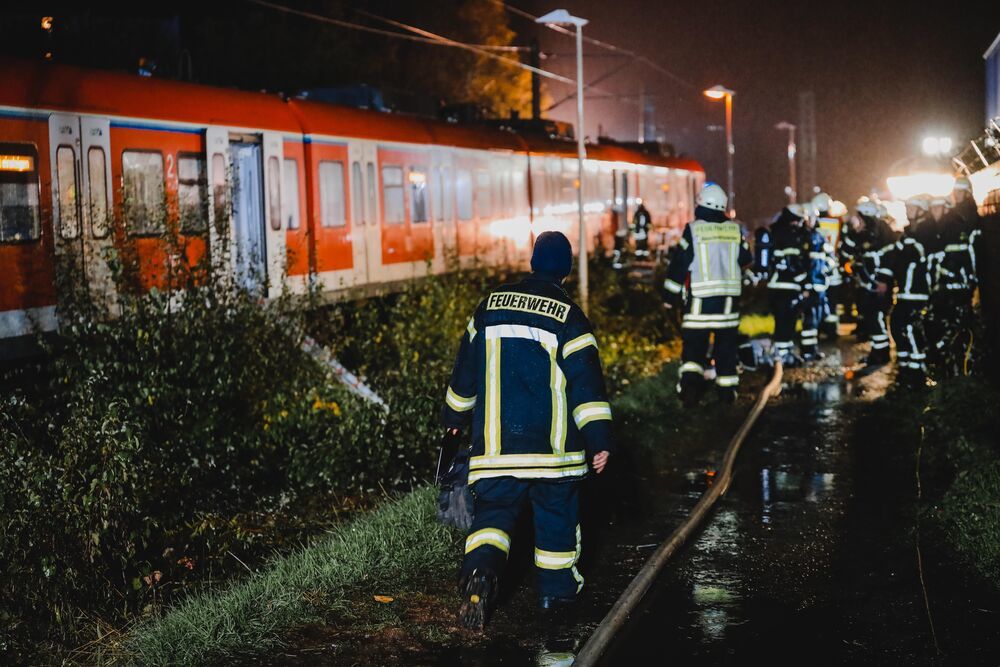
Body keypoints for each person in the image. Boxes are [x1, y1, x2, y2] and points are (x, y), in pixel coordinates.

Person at [442, 231, 613, 630]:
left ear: (532, 262)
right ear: (567, 270)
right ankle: (556, 600)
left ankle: (480, 574)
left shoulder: (489, 307)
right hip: (553, 457)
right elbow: (586, 388)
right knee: (556, 523)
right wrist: (600, 440)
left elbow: (464, 375)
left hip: (496, 452)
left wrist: (453, 421)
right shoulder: (569, 317)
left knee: (493, 519)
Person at [664, 183, 753, 404]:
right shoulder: (734, 230)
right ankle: (727, 395)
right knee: (726, 350)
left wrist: (669, 298)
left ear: (702, 205)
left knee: (693, 351)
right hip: (728, 306)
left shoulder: (694, 230)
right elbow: (745, 259)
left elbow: (679, 265)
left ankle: (690, 395)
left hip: (699, 306)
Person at [876, 194, 938, 386]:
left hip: (918, 290)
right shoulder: (910, 233)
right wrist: (884, 279)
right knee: (896, 324)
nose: (907, 211)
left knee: (910, 327)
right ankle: (905, 367)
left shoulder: (927, 231)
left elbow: (915, 257)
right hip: (906, 289)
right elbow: (895, 258)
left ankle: (917, 372)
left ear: (921, 210)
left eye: (911, 208)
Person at [926, 177, 980, 374]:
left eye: (959, 191)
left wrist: (968, 282)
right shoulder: (952, 223)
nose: (956, 195)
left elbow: (969, 255)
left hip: (958, 288)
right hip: (948, 287)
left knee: (957, 330)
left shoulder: (963, 221)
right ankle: (949, 370)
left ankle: (958, 372)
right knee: (945, 328)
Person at [850, 199, 897, 366]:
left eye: (861, 217)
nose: (859, 221)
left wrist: (883, 281)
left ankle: (881, 353)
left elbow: (889, 259)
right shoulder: (870, 232)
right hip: (870, 284)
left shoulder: (883, 233)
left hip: (879, 285)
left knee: (875, 318)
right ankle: (877, 351)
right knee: (872, 318)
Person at [763, 204, 810, 366]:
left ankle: (785, 353)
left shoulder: (777, 232)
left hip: (779, 286)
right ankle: (782, 357)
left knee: (785, 322)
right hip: (786, 286)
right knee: (786, 322)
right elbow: (793, 263)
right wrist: (804, 283)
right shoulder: (789, 235)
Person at [811, 192, 843, 338]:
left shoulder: (814, 222)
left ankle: (818, 329)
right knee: (832, 303)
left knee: (818, 301)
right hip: (834, 270)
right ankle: (832, 331)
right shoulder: (837, 222)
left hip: (818, 270)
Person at [800, 212, 829, 360]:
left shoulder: (819, 235)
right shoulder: (803, 236)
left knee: (817, 319)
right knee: (809, 319)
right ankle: (807, 351)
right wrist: (805, 285)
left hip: (819, 284)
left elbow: (826, 258)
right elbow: (804, 264)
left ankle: (812, 349)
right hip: (810, 285)